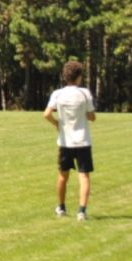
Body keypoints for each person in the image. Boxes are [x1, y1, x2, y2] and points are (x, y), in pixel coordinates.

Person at [44, 60, 96, 221]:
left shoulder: (57, 94)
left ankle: (61, 207)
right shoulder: (85, 93)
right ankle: (82, 211)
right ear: (79, 77)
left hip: (65, 142)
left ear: (65, 76)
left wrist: (57, 124)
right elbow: (92, 117)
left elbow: (46, 114)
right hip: (82, 141)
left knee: (62, 176)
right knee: (84, 176)